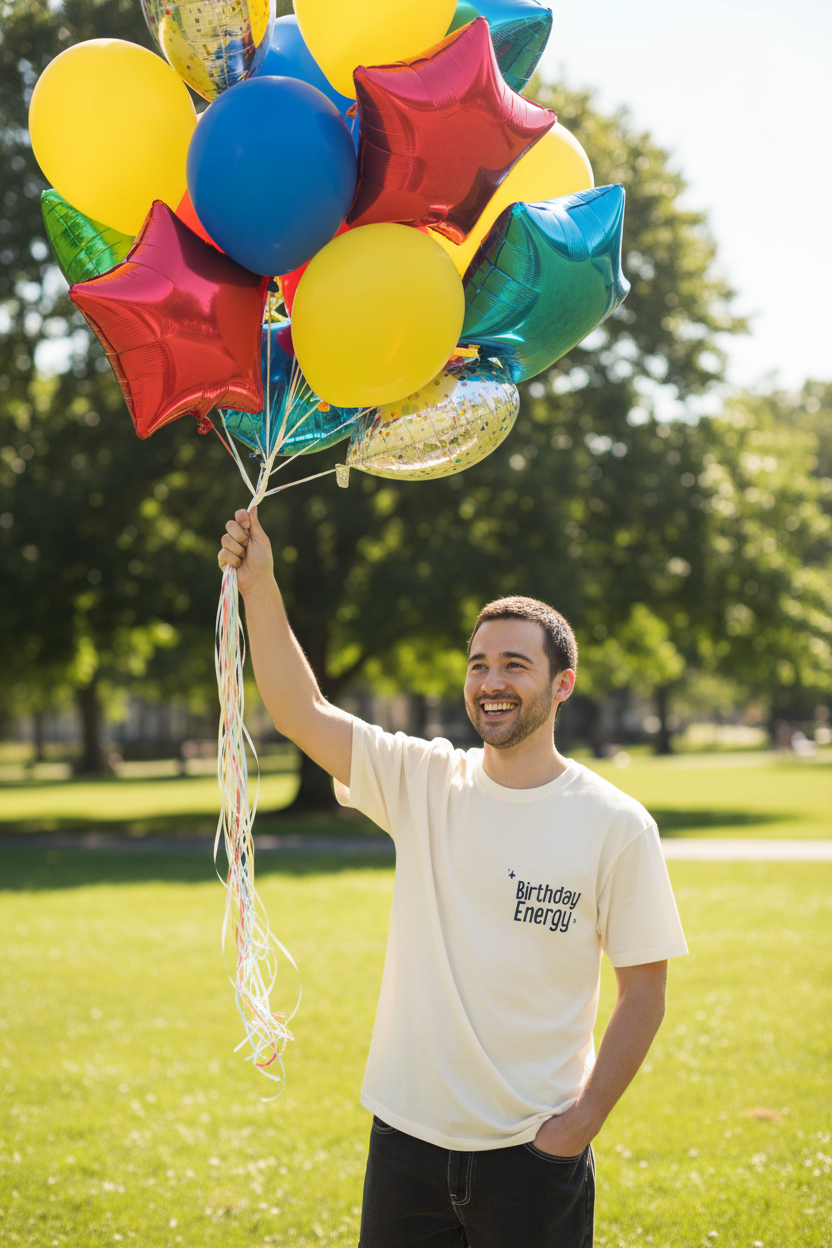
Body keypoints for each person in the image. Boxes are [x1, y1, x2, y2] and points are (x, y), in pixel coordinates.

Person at [218, 506, 688, 1248]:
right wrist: (260, 585)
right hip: (405, 1143)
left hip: (533, 1154)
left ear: (562, 685)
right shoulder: (424, 779)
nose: (491, 683)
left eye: (514, 666)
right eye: (478, 664)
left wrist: (578, 1127)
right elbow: (300, 711)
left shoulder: (617, 823)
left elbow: (646, 993)